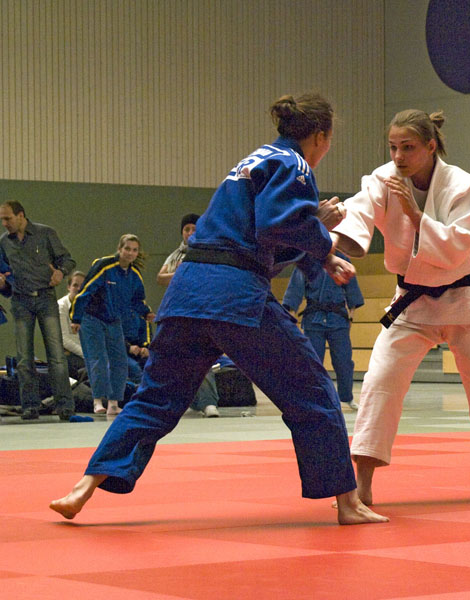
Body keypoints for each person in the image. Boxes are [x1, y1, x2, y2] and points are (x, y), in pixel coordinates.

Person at [50, 92, 388, 526]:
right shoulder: (294, 164)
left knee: (155, 399)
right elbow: (276, 224)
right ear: (320, 136)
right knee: (312, 390)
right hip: (233, 296)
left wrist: (316, 240)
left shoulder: (248, 164)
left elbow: (261, 243)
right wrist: (322, 241)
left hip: (187, 294)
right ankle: (348, 502)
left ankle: (84, 486)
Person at [331, 109, 470, 505]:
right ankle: (364, 482)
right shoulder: (383, 179)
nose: (398, 156)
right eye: (393, 147)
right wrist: (339, 234)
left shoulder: (464, 184)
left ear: (430, 146)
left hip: (463, 298)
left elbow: (457, 246)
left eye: (407, 147)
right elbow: (359, 210)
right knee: (380, 384)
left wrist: (413, 211)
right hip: (412, 302)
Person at [0, 201, 76, 421]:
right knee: (24, 357)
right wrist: (3, 285)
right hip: (20, 301)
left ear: (21, 215)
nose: (4, 223)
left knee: (56, 353)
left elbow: (67, 260)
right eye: (2, 219)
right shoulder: (3, 242)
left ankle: (65, 406)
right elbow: (5, 278)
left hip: (45, 298)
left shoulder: (45, 233)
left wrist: (61, 273)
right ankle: (30, 406)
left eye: (8, 218)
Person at [70, 234, 154, 416]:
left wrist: (146, 312)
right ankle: (98, 401)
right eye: (127, 249)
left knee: (120, 362)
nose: (130, 253)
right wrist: (76, 318)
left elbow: (136, 299)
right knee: (98, 359)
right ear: (119, 249)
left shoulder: (134, 275)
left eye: (134, 250)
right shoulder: (104, 266)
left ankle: (114, 403)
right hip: (92, 318)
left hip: (114, 321)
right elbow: (85, 291)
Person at [282, 251, 364, 410]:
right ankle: (316, 398)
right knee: (314, 362)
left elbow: (352, 291)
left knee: (344, 361)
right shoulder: (305, 261)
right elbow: (295, 292)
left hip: (338, 319)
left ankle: (347, 397)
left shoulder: (343, 260)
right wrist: (291, 316)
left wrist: (351, 316)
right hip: (314, 319)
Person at [156, 213, 200, 287]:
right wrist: (181, 273)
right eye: (187, 229)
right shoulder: (175, 255)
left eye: (194, 230)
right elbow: (160, 278)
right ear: (182, 232)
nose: (190, 233)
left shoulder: (206, 252)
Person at [57, 271, 87, 379]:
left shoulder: (89, 305)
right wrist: (86, 355)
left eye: (82, 286)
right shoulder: (61, 307)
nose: (79, 289)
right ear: (68, 287)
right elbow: (64, 339)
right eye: (75, 285)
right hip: (69, 354)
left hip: (88, 352)